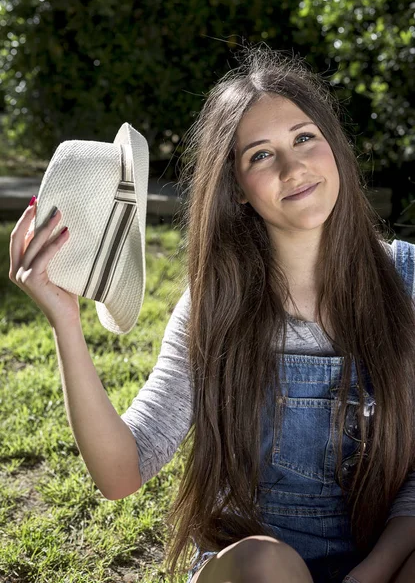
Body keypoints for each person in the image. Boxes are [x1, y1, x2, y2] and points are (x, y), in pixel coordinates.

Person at [9, 44, 415, 583]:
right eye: (261, 155)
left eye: (303, 138)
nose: (294, 168)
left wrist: (370, 574)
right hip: (251, 565)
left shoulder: (406, 280)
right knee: (271, 565)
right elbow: (121, 472)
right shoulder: (215, 306)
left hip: (379, 559)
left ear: (332, 146)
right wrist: (66, 321)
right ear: (239, 191)